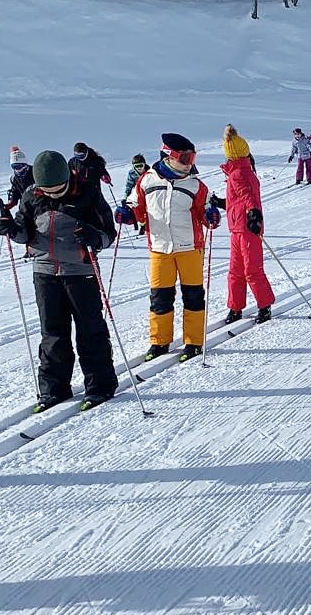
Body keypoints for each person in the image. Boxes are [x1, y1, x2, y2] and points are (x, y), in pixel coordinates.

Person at [0, 150, 118, 412]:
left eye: (58, 190)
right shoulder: (31, 196)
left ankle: (100, 386)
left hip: (80, 273)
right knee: (52, 332)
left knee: (90, 330)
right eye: (47, 191)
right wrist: (9, 227)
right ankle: (54, 389)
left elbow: (109, 233)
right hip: (44, 272)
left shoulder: (88, 192)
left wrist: (94, 237)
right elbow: (24, 234)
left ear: (67, 178)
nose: (53, 195)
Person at [117, 133, 217, 363]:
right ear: (169, 156)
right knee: (160, 298)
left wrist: (211, 216)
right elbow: (136, 207)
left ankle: (193, 342)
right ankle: (160, 341)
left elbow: (206, 212)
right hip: (160, 248)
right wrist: (128, 214)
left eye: (192, 158)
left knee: (193, 295)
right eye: (184, 158)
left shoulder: (195, 185)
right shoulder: (147, 181)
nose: (189, 163)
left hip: (190, 247)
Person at [209, 125, 275, 325]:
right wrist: (221, 203)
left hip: (247, 228)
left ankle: (264, 306)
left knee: (251, 270)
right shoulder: (239, 172)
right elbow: (239, 200)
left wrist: (254, 214)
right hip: (238, 228)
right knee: (236, 271)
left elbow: (249, 198)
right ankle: (235, 307)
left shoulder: (238, 174)